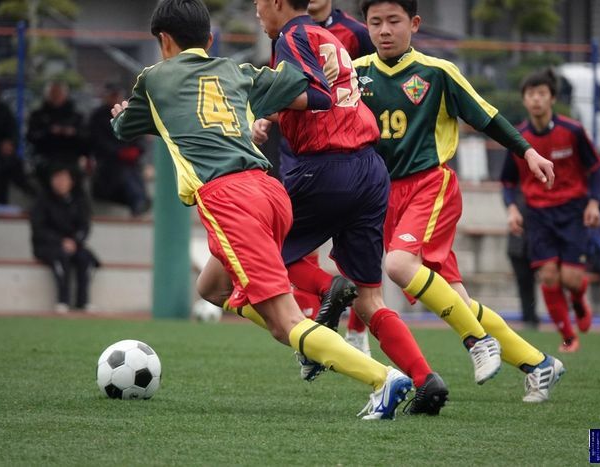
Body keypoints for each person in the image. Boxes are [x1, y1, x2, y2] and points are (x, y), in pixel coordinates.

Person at [111, 0, 414, 420]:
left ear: (164, 41)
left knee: (284, 321)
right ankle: (308, 334)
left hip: (229, 199)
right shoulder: (236, 71)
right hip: (270, 190)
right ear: (210, 41)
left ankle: (382, 378)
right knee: (212, 287)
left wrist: (119, 116)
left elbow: (126, 128)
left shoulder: (153, 79)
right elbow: (295, 84)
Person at [351, 0, 564, 402]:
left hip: (431, 185)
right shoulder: (356, 74)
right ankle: (540, 364)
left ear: (414, 24)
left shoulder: (437, 72)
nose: (384, 30)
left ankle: (477, 342)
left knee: (398, 265)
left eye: (394, 21)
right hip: (385, 198)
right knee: (458, 299)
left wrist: (528, 152)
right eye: (375, 22)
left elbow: (485, 116)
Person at [251, 0, 376, 357]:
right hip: (363, 161)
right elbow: (333, 94)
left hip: (326, 161)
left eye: (258, 2)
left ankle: (324, 304)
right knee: (372, 293)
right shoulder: (322, 34)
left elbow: (320, 96)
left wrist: (260, 96)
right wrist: (271, 114)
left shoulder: (295, 36)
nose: (256, 11)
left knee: (265, 248)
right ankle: (423, 378)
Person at [501, 68, 600, 353]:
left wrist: (595, 202)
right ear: (524, 100)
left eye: (542, 94)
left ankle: (579, 302)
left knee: (570, 279)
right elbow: (508, 180)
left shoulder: (572, 131)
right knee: (548, 276)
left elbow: (595, 168)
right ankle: (568, 337)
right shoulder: (517, 138)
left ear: (552, 98)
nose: (536, 99)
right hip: (537, 213)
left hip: (572, 211)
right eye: (530, 94)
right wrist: (512, 208)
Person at [30, 165, 99, 312]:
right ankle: (63, 300)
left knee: (86, 258)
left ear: (71, 181)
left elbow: (84, 226)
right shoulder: (43, 200)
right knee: (60, 257)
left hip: (74, 244)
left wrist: (74, 241)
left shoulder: (78, 200)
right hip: (48, 245)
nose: (60, 182)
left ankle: (83, 301)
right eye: (57, 178)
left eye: (64, 178)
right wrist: (60, 241)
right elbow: (39, 228)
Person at [89, 83, 151, 217]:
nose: (115, 98)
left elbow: (139, 139)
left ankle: (141, 201)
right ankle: (138, 202)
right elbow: (98, 142)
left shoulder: (129, 114)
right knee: (123, 173)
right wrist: (118, 152)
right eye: (112, 95)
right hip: (107, 167)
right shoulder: (98, 116)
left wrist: (135, 151)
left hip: (130, 164)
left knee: (133, 173)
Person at [27, 81, 86, 186]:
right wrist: (49, 132)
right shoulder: (38, 115)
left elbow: (86, 138)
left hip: (70, 156)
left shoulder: (76, 116)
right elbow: (31, 137)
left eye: (59, 93)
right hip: (46, 155)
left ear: (65, 95)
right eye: (53, 93)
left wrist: (73, 133)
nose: (56, 96)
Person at [506, 194, 539, 329]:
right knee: (523, 281)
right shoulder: (516, 194)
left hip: (536, 243)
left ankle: (532, 315)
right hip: (518, 245)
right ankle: (528, 316)